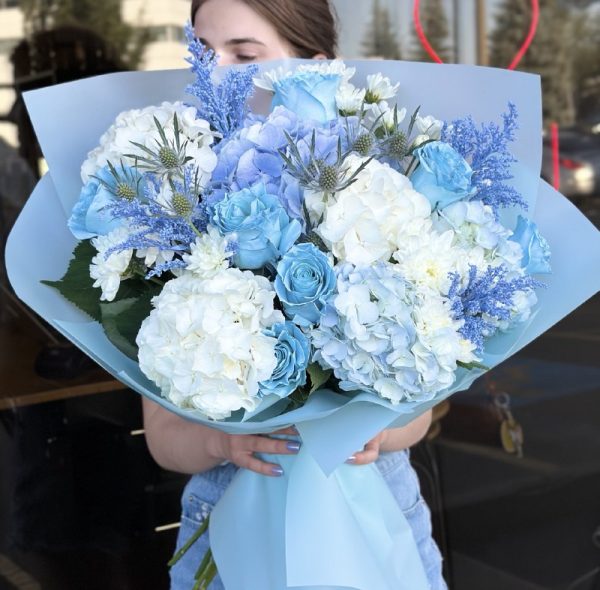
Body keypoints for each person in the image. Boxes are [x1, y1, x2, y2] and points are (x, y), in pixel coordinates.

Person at [142, 1, 447, 588]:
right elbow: (161, 437)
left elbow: (421, 413)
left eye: (243, 55)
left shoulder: (382, 198)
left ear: (316, 67)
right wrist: (220, 439)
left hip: (377, 507)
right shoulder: (167, 217)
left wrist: (378, 431)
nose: (216, 73)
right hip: (226, 513)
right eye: (203, 55)